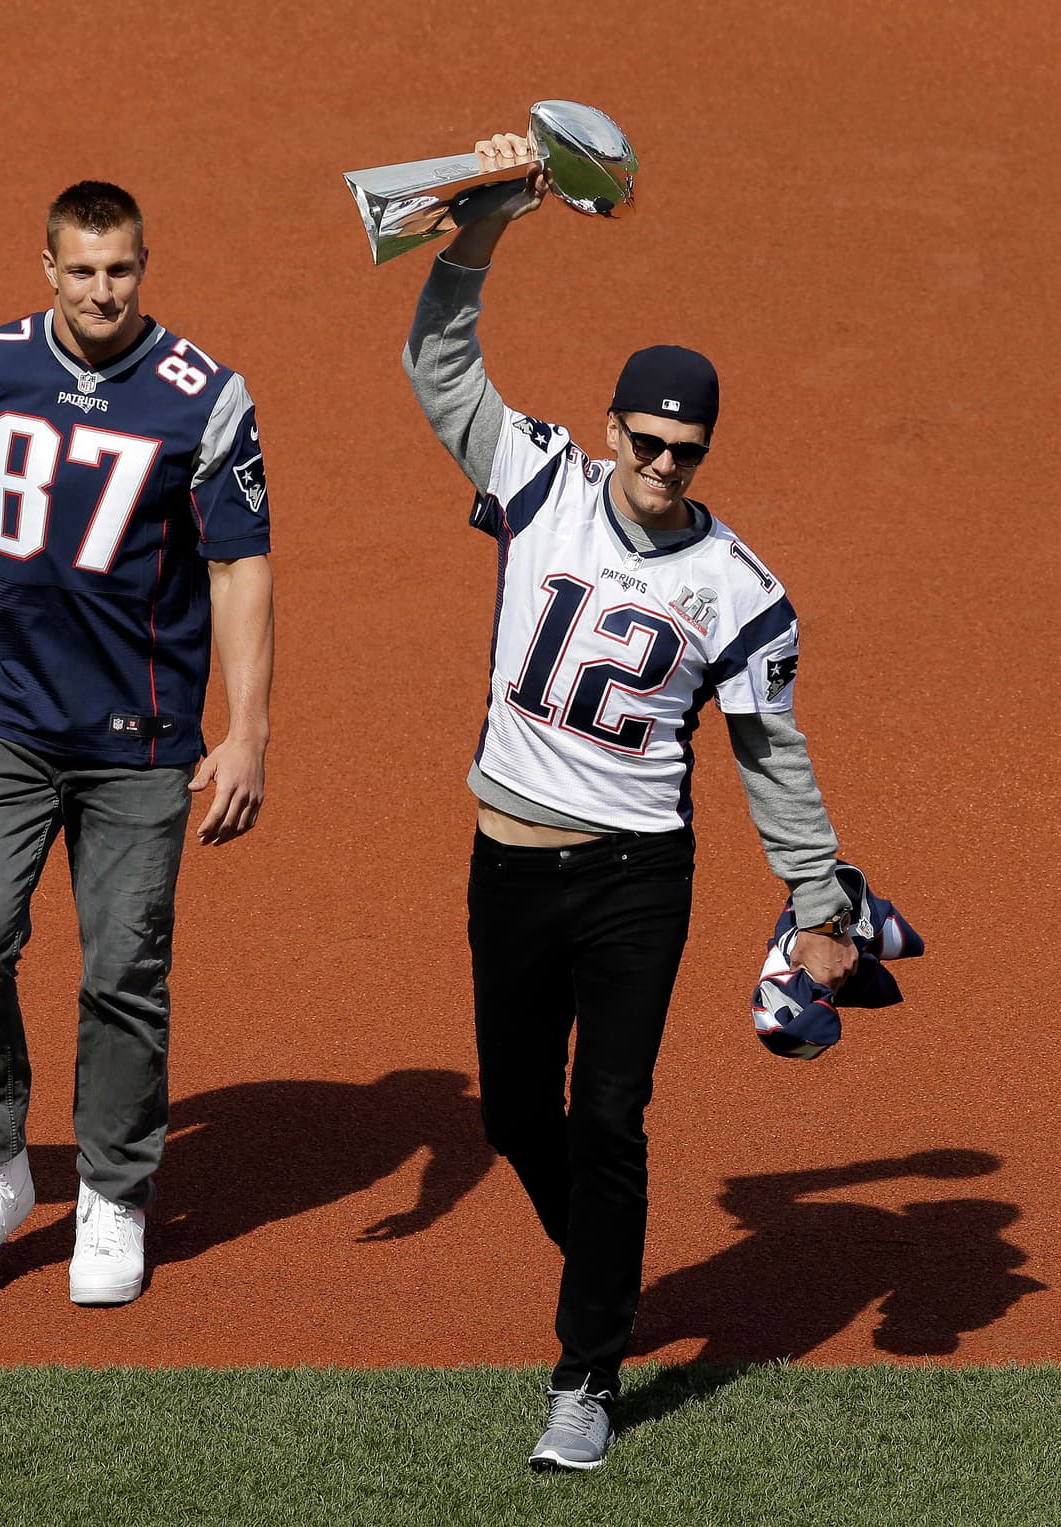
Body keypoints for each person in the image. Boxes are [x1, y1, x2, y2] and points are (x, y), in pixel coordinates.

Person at [401, 134, 858, 1471]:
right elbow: (440, 370)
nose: (665, 462)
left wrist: (820, 894)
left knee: (610, 1115)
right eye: (647, 438)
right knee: (512, 1119)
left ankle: (586, 1370)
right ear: (612, 428)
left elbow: (770, 751)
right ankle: (610, 1262)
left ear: (705, 446)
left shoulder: (737, 583)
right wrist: (478, 234)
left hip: (636, 876)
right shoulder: (537, 478)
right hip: (507, 860)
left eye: (687, 446)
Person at [0, 181, 274, 1306]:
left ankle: (111, 1191)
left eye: (122, 270)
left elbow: (240, 564)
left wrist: (245, 731)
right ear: (46, 268)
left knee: (122, 973)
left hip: (139, 740)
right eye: (82, 270)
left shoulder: (203, 398)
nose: (103, 291)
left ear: (143, 264)